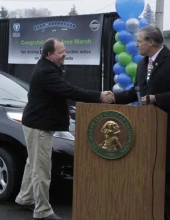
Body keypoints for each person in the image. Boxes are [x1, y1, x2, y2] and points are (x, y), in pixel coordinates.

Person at [15, 38, 114, 220]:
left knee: (33, 163)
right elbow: (70, 91)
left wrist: (64, 111)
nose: (65, 54)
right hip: (39, 126)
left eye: (64, 50)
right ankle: (42, 211)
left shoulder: (50, 68)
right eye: (61, 52)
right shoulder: (47, 72)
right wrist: (99, 96)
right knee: (41, 169)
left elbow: (53, 96)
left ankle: (25, 198)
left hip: (38, 123)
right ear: (49, 54)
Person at [114, 25, 170, 220]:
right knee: (147, 183)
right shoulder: (142, 64)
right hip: (145, 135)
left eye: (139, 41)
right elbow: (137, 92)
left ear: (151, 42)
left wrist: (156, 99)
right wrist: (111, 98)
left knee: (167, 186)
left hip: (168, 134)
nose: (136, 44)